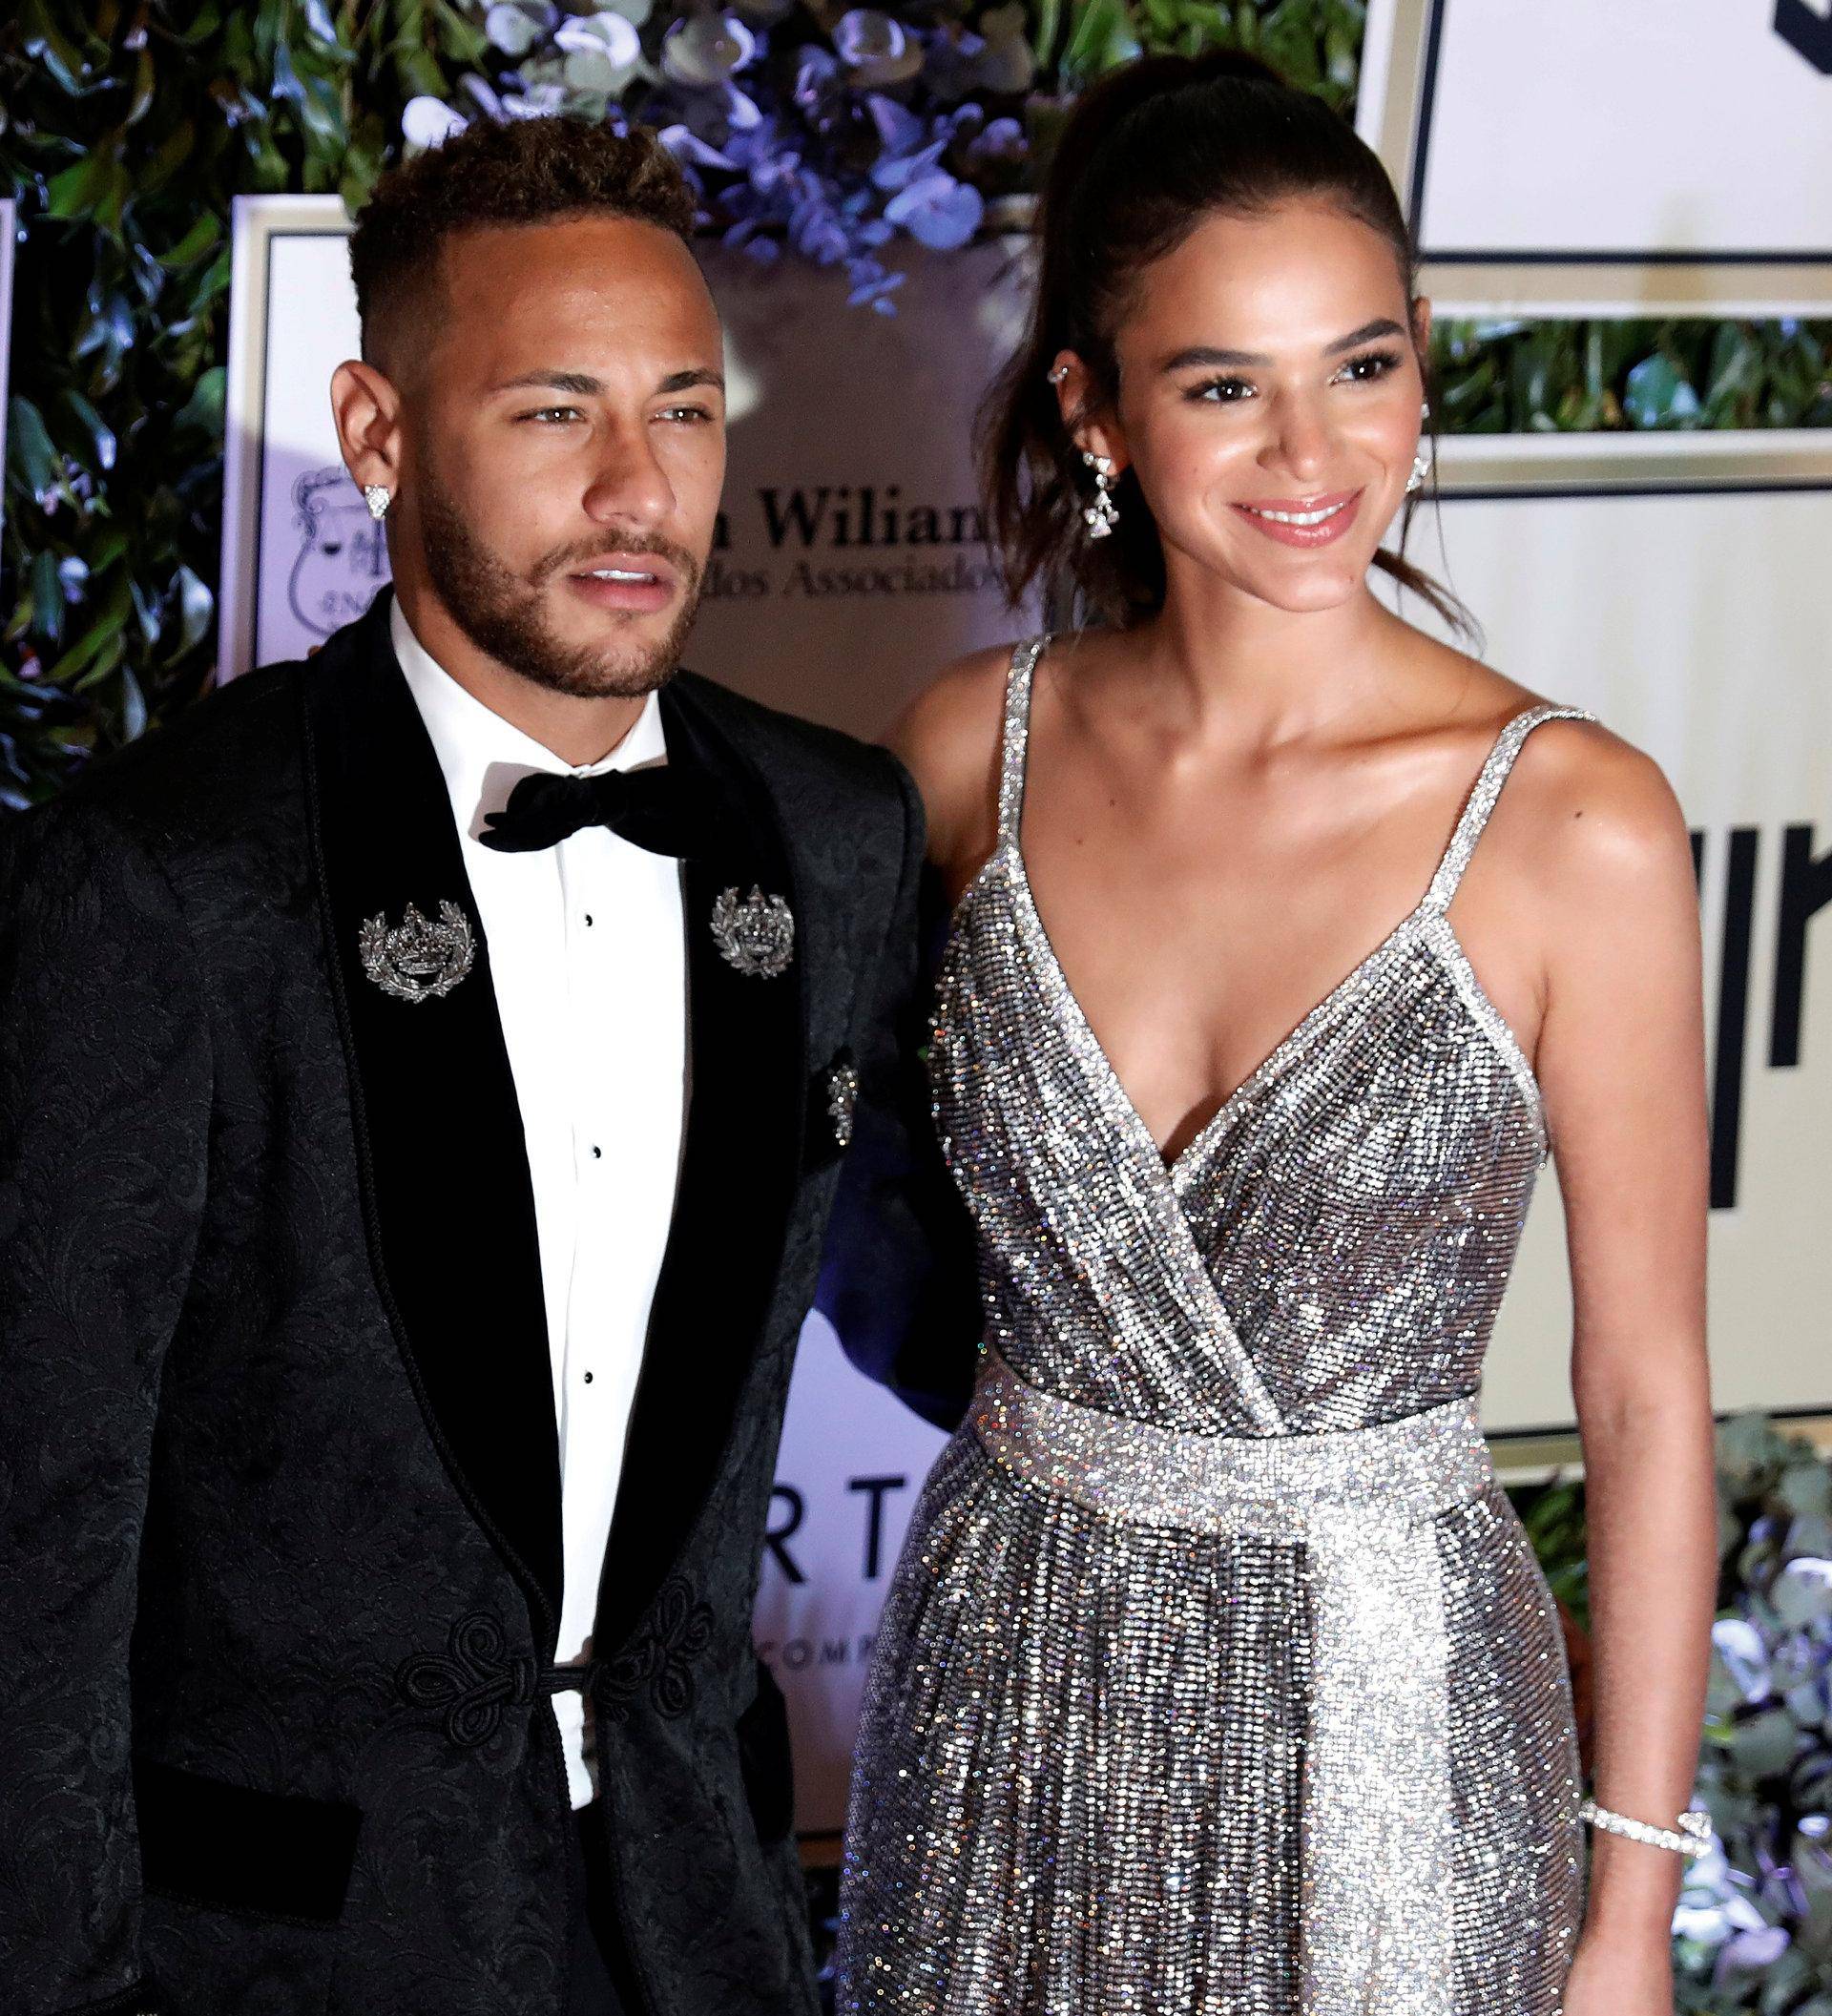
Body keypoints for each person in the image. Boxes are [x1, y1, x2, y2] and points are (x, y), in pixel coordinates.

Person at [0, 114, 943, 2016]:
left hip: (695, 1929)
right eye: (551, 414)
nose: (635, 489)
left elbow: (939, 1308)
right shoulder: (171, 878)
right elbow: (37, 1516)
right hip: (282, 1953)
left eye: (684, 411)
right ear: (379, 432)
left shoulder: (831, 837)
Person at [836, 52, 1715, 2016]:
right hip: (1007, 1706)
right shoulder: (965, 754)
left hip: (1398, 1740)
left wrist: (1631, 1922)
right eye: (1226, 382)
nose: (1313, 446)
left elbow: (1649, 1394)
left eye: (1366, 364)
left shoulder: (1574, 821)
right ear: (1099, 407)